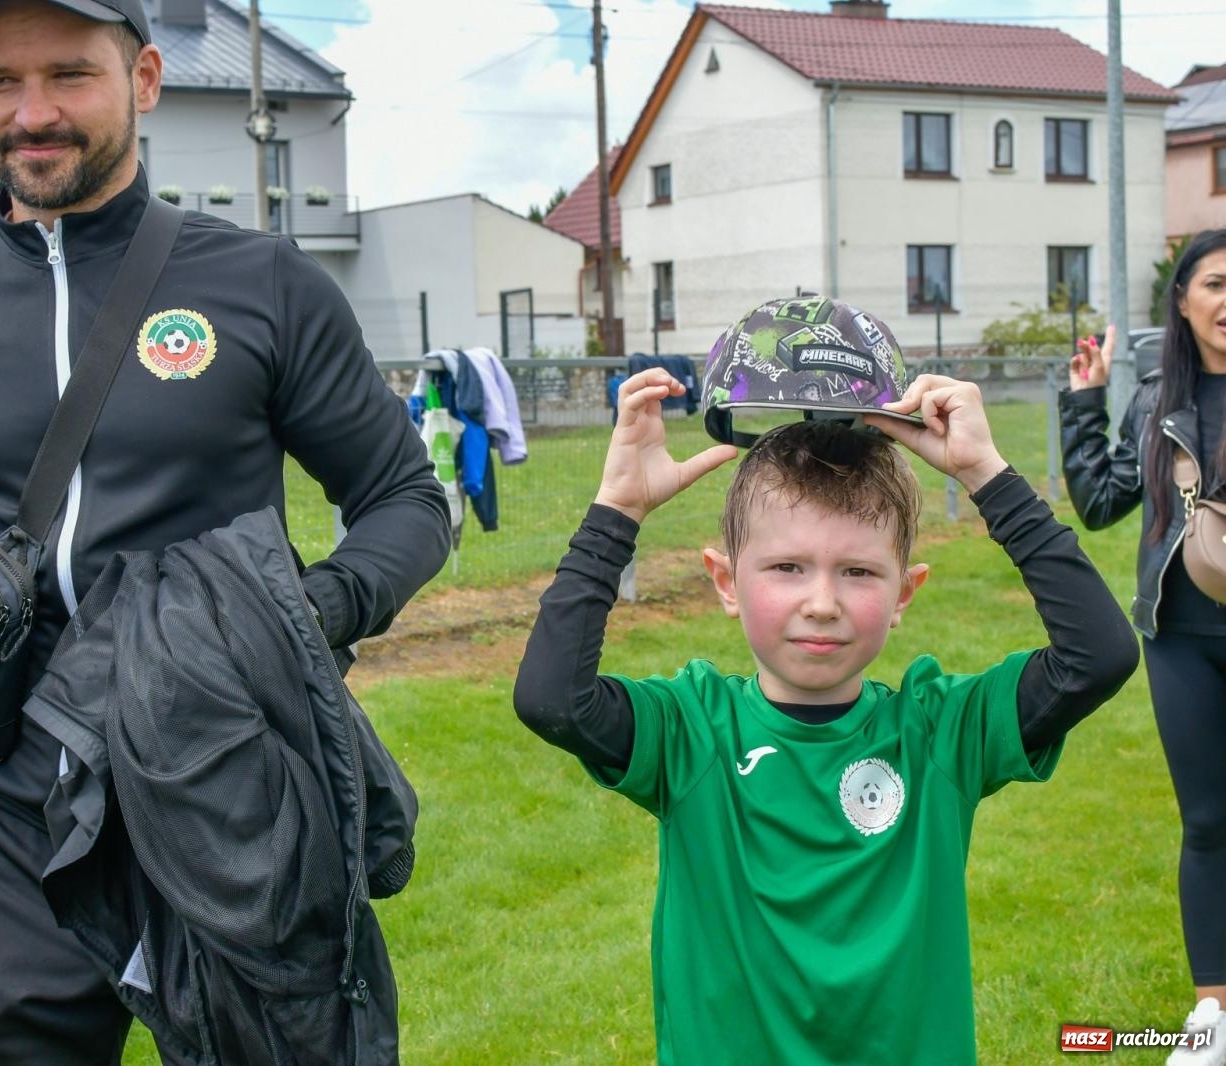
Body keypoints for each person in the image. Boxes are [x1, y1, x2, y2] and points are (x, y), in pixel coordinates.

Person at [0, 0, 450, 1060]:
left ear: (145, 78)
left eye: (68, 75)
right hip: (8, 793)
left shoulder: (266, 286)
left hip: (230, 777)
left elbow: (403, 500)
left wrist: (297, 614)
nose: (31, 113)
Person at [514, 314, 1138, 1062]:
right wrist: (618, 510)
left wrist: (986, 474)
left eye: (859, 572)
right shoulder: (691, 732)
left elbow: (1098, 656)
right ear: (725, 581)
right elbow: (552, 698)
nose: (822, 601)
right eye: (786, 567)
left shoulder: (941, 734)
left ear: (906, 593)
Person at [1062, 228, 1226, 1064]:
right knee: (1207, 823)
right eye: (1217, 285)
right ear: (1185, 302)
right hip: (1183, 638)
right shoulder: (1160, 399)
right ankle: (1211, 1014)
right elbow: (1099, 502)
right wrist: (1083, 403)